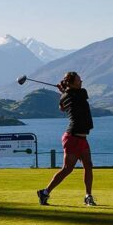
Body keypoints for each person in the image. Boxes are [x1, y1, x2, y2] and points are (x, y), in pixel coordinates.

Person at [37, 71, 96, 206]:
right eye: (79, 79)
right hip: (73, 137)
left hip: (81, 138)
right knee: (67, 169)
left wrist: (63, 91)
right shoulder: (81, 93)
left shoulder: (65, 96)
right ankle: (45, 193)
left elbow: (62, 107)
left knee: (88, 166)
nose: (81, 81)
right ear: (72, 82)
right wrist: (64, 90)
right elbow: (72, 97)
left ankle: (88, 196)